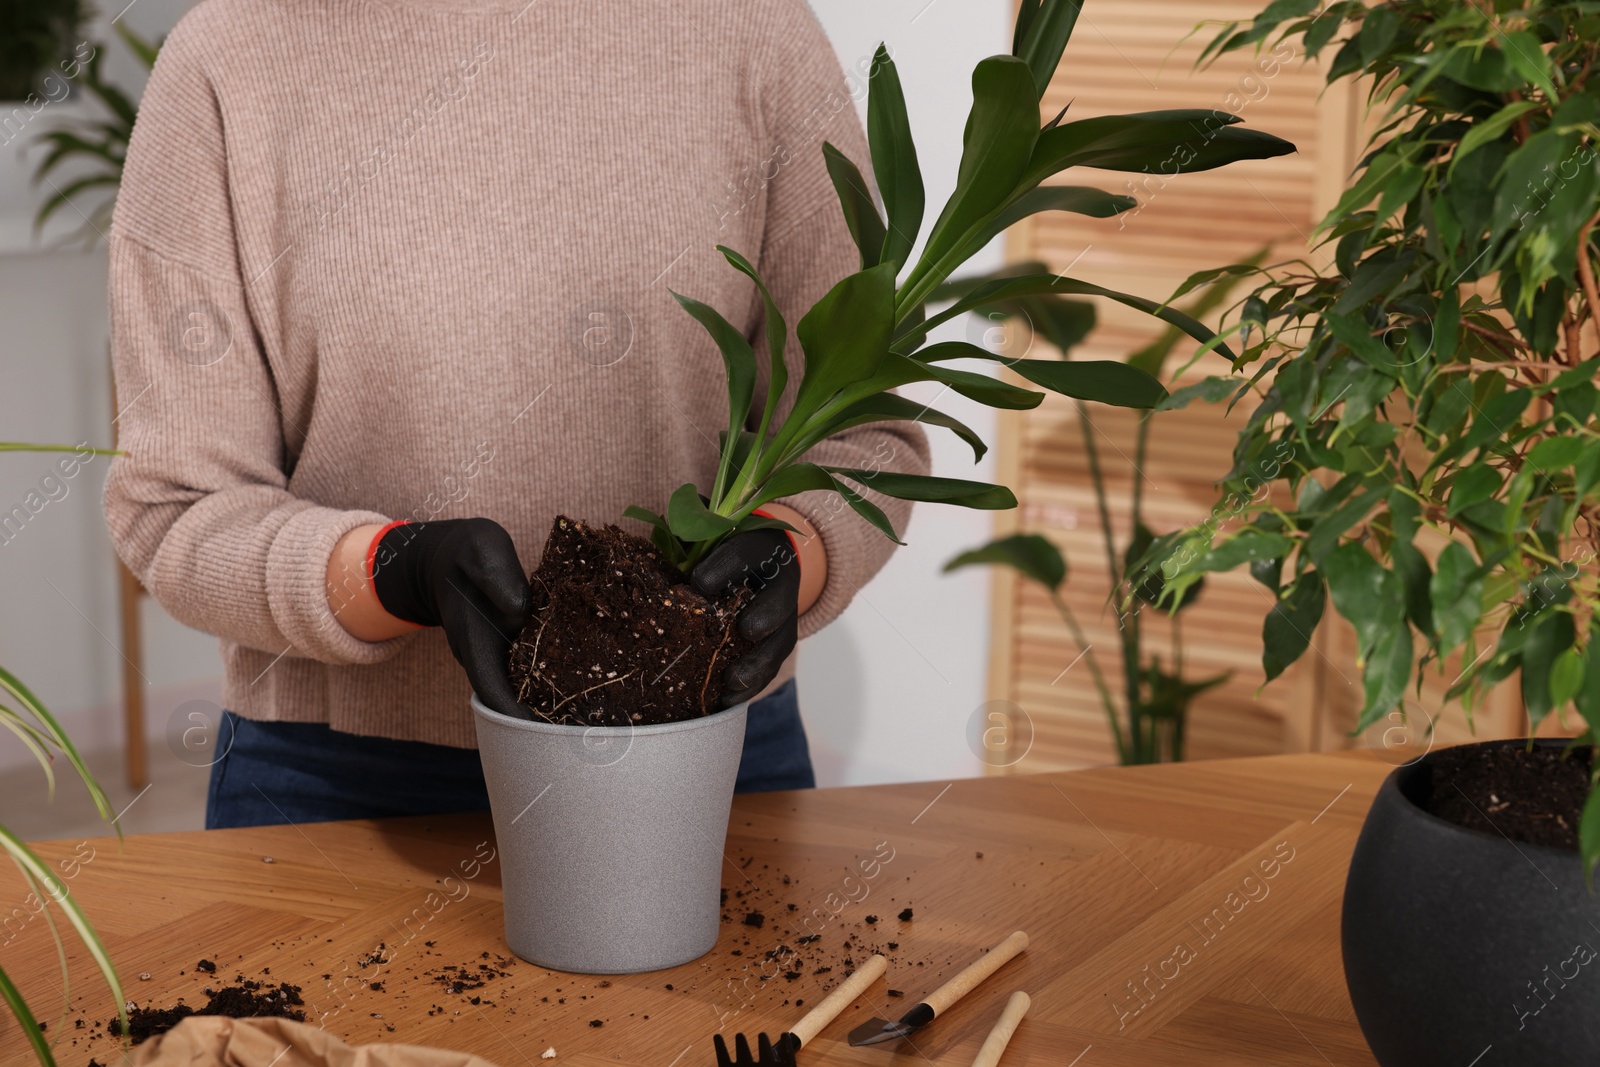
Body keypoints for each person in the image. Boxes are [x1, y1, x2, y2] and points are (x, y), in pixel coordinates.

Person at [103, 0, 928, 829]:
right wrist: (392, 569)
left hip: (706, 750)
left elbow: (866, 434)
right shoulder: (229, 57)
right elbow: (177, 507)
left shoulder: (755, 31)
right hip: (339, 777)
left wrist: (799, 547)